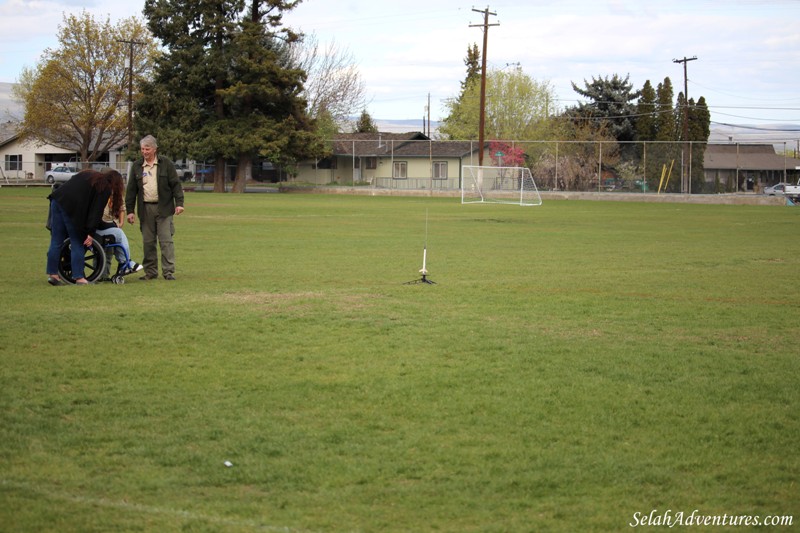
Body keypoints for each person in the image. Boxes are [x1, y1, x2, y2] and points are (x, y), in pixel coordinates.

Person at [46, 169, 125, 285]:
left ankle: (53, 274)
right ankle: (79, 277)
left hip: (57, 200)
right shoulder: (105, 188)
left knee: (56, 241)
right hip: (72, 207)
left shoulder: (88, 174)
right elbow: (96, 212)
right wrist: (90, 233)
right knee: (77, 241)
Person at [125, 135, 185, 280]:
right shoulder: (137, 166)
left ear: (155, 149)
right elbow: (131, 190)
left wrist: (179, 204)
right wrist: (130, 211)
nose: (145, 152)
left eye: (147, 148)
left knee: (166, 241)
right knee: (148, 242)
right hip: (145, 209)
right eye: (142, 149)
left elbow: (176, 185)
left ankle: (168, 272)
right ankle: (150, 272)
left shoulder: (166, 164)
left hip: (164, 208)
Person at [95, 197, 143, 279]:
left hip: (109, 226)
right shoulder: (99, 194)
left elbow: (121, 207)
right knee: (119, 235)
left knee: (109, 251)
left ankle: (104, 275)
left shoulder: (115, 193)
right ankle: (126, 263)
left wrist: (120, 223)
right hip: (99, 228)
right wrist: (113, 225)